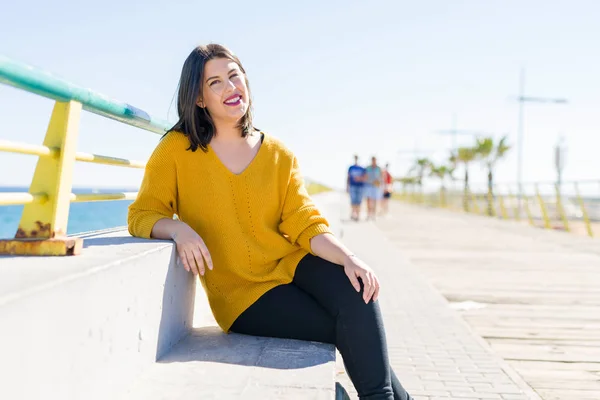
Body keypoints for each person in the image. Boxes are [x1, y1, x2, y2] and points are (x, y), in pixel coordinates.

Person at [127, 44, 412, 400]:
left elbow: (304, 221)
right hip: (243, 295)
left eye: (234, 75)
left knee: (359, 289)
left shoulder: (279, 154)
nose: (230, 88)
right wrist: (177, 228)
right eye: (215, 83)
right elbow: (142, 214)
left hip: (290, 263)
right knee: (349, 329)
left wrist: (349, 257)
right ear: (199, 99)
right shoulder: (176, 149)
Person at [347, 154, 366, 221]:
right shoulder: (351, 167)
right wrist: (347, 186)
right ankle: (353, 213)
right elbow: (348, 177)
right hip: (352, 186)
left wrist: (359, 179)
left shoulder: (362, 168)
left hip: (360, 186)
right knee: (353, 201)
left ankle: (357, 215)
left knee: (359, 201)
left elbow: (365, 177)